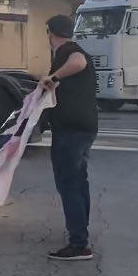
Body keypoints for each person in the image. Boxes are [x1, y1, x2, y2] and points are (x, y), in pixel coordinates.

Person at [39, 15, 97, 261]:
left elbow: (79, 61)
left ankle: (79, 244)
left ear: (50, 33)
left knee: (69, 184)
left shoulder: (69, 51)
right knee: (78, 181)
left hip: (71, 131)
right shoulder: (68, 51)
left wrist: (53, 78)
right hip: (83, 128)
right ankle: (80, 232)